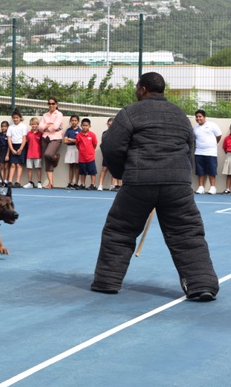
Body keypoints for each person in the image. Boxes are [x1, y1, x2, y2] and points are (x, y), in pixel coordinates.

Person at [91, 72, 219, 301]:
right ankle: (202, 285)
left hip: (139, 182)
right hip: (178, 184)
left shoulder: (130, 112)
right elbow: (189, 149)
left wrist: (121, 173)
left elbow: (111, 146)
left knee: (120, 230)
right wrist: (179, 175)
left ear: (142, 89)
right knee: (187, 233)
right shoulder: (180, 115)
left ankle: (107, 281)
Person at [193, 109, 221, 195]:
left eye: (200, 116)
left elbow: (219, 136)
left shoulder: (212, 125)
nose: (198, 118)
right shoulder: (195, 128)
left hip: (211, 152)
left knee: (211, 170)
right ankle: (201, 187)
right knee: (200, 171)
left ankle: (212, 188)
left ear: (204, 117)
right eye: (197, 117)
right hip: (199, 152)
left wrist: (212, 144)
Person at [39, 97, 64, 189]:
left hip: (55, 138)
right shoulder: (45, 115)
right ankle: (50, 183)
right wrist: (48, 126)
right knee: (47, 160)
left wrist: (46, 127)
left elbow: (56, 126)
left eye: (53, 103)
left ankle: (55, 157)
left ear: (56, 104)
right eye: (49, 103)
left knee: (48, 154)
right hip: (45, 137)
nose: (51, 105)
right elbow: (40, 128)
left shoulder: (59, 114)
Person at [97, 117, 121, 191]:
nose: (110, 125)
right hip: (107, 154)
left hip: (115, 154)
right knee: (104, 169)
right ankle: (100, 185)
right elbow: (103, 144)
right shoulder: (104, 133)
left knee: (115, 170)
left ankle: (112, 185)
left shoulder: (118, 133)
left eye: (112, 124)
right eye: (109, 124)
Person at [75, 118, 98, 190]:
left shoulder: (92, 135)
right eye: (83, 125)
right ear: (81, 126)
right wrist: (82, 151)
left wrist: (90, 152)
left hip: (90, 157)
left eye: (86, 125)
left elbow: (94, 144)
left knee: (92, 171)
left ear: (89, 126)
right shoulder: (78, 135)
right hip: (82, 157)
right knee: (82, 172)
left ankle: (93, 185)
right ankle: (82, 184)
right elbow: (77, 145)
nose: (85, 127)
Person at [7, 109, 27, 188]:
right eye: (14, 118)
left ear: (20, 118)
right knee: (12, 164)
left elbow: (24, 138)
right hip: (13, 146)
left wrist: (21, 149)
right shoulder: (10, 127)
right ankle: (10, 181)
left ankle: (17, 182)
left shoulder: (23, 126)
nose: (15, 119)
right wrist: (12, 149)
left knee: (19, 165)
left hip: (21, 146)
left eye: (17, 117)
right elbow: (9, 139)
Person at [24, 117, 43, 189]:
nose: (34, 125)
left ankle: (39, 182)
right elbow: (26, 142)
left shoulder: (40, 134)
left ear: (38, 125)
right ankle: (30, 183)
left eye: (35, 124)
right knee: (29, 168)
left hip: (38, 154)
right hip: (29, 154)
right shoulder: (28, 134)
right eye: (32, 124)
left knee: (38, 168)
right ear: (30, 125)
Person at [63, 115, 81, 189]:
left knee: (77, 166)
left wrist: (70, 139)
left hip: (77, 149)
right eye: (72, 120)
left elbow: (79, 141)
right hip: (69, 148)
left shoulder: (80, 130)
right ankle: (70, 182)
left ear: (78, 121)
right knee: (71, 166)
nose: (73, 122)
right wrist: (74, 140)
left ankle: (76, 183)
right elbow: (65, 141)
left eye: (75, 120)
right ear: (70, 121)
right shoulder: (68, 130)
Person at [0, 120, 10, 187]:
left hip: (7, 151)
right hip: (1, 152)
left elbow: (9, 145)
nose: (3, 128)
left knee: (6, 167)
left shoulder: (9, 134)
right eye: (2, 126)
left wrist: (7, 154)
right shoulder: (0, 134)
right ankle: (1, 180)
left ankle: (6, 180)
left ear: (7, 127)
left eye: (5, 126)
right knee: (2, 167)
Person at [223, 124, 231, 194]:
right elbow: (225, 148)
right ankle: (227, 188)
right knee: (229, 173)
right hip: (229, 155)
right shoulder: (227, 138)